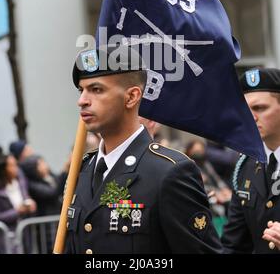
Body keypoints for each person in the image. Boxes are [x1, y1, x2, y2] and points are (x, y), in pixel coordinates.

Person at [65, 45, 222, 254]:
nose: (82, 100)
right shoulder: (83, 168)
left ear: (131, 97)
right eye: (81, 90)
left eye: (96, 89)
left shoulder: (169, 172)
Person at [222, 68, 280, 253]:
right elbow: (234, 244)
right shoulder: (245, 165)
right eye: (245, 110)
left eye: (260, 108)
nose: (251, 117)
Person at [0, 154, 36, 232]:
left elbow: (27, 197)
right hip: (7, 234)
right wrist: (18, 211)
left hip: (25, 232)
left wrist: (30, 205)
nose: (16, 169)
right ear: (3, 169)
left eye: (16, 165)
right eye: (12, 166)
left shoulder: (21, 183)